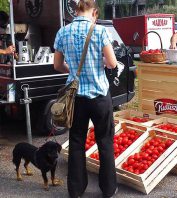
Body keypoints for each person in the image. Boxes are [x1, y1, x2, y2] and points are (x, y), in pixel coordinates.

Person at [53, 1, 118, 197]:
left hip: (76, 98)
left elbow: (57, 65)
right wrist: (103, 64)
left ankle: (76, 189)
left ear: (75, 10)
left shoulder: (63, 32)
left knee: (76, 141)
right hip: (99, 95)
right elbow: (112, 63)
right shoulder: (100, 31)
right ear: (94, 11)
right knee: (105, 141)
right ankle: (108, 189)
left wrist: (73, 72)